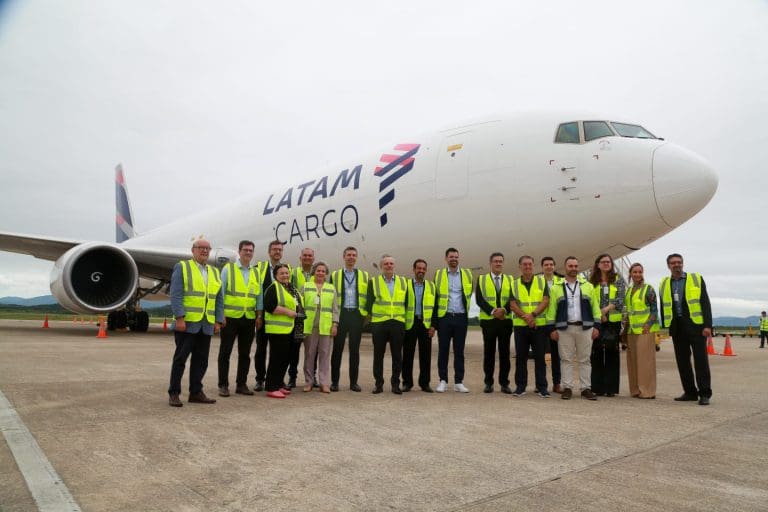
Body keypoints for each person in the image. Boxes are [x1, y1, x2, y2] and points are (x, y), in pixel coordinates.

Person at [168, 239, 224, 407]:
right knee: (180, 359)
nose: (205, 251)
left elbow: (218, 299)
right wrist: (179, 317)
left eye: (208, 248)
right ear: (193, 250)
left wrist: (218, 321)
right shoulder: (182, 267)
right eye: (201, 248)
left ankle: (196, 392)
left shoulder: (214, 272)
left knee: (201, 361)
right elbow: (176, 294)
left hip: (206, 323)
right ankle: (174, 393)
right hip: (188, 323)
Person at [659, 253, 713, 406]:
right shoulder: (664, 283)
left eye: (679, 262)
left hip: (696, 326)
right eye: (673, 263)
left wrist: (707, 325)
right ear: (668, 266)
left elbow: (705, 302)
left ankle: (704, 393)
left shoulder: (695, 279)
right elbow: (664, 305)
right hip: (677, 327)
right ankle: (690, 392)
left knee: (701, 361)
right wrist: (667, 326)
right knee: (682, 362)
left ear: (682, 264)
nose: (676, 265)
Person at [547, 256, 601, 400]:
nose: (573, 269)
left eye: (576, 266)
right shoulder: (556, 288)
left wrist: (596, 326)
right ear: (565, 268)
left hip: (585, 328)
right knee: (566, 360)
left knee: (585, 360)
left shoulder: (588, 286)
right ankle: (568, 388)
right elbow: (551, 310)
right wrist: (551, 329)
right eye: (570, 266)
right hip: (564, 329)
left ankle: (585, 389)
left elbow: (595, 308)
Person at [217, 240, 260, 397]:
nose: (248, 253)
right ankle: (223, 385)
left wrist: (259, 315)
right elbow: (220, 294)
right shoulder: (228, 269)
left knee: (245, 353)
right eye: (245, 250)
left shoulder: (255, 272)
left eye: (250, 250)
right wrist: (220, 315)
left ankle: (241, 384)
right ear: (239, 251)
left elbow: (259, 296)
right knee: (225, 352)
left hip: (248, 318)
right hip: (230, 318)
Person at [509, 255, 551, 397]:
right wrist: (526, 317)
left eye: (530, 264)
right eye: (525, 264)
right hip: (521, 327)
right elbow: (512, 304)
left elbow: (545, 301)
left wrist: (532, 315)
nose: (527, 267)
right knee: (521, 358)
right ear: (520, 266)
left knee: (540, 358)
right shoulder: (514, 283)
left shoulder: (541, 281)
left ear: (533, 266)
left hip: (538, 325)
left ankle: (542, 387)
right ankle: (520, 386)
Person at [366, 254, 408, 394]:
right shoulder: (374, 282)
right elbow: (369, 302)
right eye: (386, 264)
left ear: (394, 266)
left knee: (397, 356)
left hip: (397, 323)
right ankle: (379, 384)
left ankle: (395, 384)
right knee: (378, 355)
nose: (389, 266)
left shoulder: (403, 282)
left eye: (391, 263)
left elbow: (407, 303)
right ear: (381, 266)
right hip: (379, 323)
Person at [330, 246, 370, 392]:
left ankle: (354, 382)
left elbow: (368, 296)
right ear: (344, 257)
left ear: (356, 257)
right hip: (341, 316)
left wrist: (365, 315)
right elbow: (330, 297)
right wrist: (332, 318)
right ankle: (334, 382)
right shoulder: (335, 275)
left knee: (355, 350)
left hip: (356, 315)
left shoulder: (364, 276)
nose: (351, 257)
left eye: (354, 255)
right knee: (337, 350)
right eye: (349, 255)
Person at [434, 248, 473, 393]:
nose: (454, 259)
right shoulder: (439, 274)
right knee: (443, 350)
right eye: (451, 257)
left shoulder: (467, 274)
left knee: (459, 351)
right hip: (445, 317)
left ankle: (458, 382)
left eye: (456, 257)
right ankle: (443, 380)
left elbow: (468, 294)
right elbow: (436, 298)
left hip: (461, 317)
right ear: (446, 259)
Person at [263, 263, 303, 399]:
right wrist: (288, 312)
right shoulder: (273, 288)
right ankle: (271, 387)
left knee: (285, 359)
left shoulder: (291, 288)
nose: (285, 275)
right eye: (282, 273)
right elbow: (269, 306)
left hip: (291, 329)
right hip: (278, 330)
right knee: (276, 359)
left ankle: (279, 383)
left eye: (287, 273)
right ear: (276, 275)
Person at [588, 254, 626, 397]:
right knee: (596, 353)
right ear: (597, 264)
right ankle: (597, 387)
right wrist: (599, 314)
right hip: (597, 322)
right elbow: (589, 299)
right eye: (603, 262)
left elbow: (620, 299)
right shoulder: (592, 281)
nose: (606, 264)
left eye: (608, 262)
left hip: (612, 322)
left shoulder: (617, 279)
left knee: (612, 354)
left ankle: (611, 388)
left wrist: (604, 310)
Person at [253, 240, 289, 391]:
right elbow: (256, 294)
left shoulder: (287, 270)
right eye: (274, 249)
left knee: (278, 352)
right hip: (264, 317)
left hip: (279, 319)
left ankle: (277, 379)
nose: (277, 252)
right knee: (261, 349)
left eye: (280, 250)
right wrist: (259, 315)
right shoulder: (259, 268)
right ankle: (260, 379)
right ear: (269, 252)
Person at [475, 252, 513, 394]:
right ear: (490, 263)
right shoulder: (482, 279)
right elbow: (479, 299)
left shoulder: (510, 279)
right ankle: (488, 383)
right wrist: (493, 311)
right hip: (488, 322)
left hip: (505, 321)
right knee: (489, 353)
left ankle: (504, 383)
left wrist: (504, 310)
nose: (498, 263)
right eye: (496, 261)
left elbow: (513, 298)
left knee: (505, 354)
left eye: (501, 261)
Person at [301, 261, 338, 393]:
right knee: (309, 355)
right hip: (310, 326)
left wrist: (335, 324)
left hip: (326, 326)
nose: (321, 273)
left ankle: (324, 383)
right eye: (318, 270)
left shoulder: (331, 288)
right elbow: (300, 307)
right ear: (314, 272)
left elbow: (335, 309)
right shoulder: (306, 286)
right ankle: (309, 382)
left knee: (324, 354)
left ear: (326, 273)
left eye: (323, 271)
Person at [624, 263, 658, 399]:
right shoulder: (629, 290)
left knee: (645, 361)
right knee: (633, 361)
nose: (637, 274)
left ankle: (648, 391)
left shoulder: (648, 289)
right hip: (632, 330)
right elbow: (629, 312)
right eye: (635, 272)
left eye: (640, 272)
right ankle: (636, 389)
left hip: (645, 330)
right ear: (630, 274)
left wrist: (648, 324)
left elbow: (654, 309)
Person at [402, 259, 436, 392]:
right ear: (414, 269)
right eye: (418, 268)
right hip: (410, 324)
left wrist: (433, 325)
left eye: (423, 269)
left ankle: (425, 383)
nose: (421, 271)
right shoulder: (406, 285)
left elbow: (435, 308)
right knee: (407, 355)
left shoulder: (432, 286)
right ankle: (407, 383)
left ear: (426, 270)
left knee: (425, 356)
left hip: (425, 324)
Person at [288, 247, 315, 388]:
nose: (307, 258)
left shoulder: (317, 274)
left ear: (313, 258)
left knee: (312, 351)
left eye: (310, 256)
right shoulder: (294, 273)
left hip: (312, 317)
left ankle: (312, 377)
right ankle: (292, 377)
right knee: (295, 349)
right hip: (298, 317)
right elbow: (288, 289)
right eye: (305, 255)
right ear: (300, 258)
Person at [541, 256, 564, 393]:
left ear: (554, 266)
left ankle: (557, 383)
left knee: (556, 355)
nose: (549, 267)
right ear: (542, 267)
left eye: (551, 264)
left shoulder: (561, 282)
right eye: (546, 265)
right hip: (541, 322)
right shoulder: (537, 281)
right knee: (540, 356)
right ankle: (542, 383)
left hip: (555, 323)